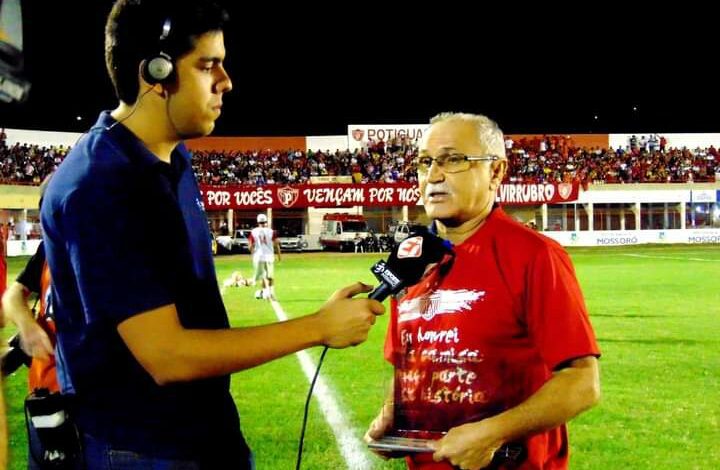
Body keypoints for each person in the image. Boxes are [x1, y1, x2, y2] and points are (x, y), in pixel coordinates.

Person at [40, 1, 384, 468]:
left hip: (200, 431)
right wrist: (318, 326)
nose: (226, 81)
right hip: (143, 449)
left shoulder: (170, 158)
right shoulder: (102, 183)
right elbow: (168, 356)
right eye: (208, 65)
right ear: (156, 73)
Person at [365, 112, 601, 470]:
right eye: (424, 162)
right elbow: (407, 369)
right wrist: (390, 416)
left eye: (453, 159)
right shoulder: (410, 261)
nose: (433, 175)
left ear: (495, 171)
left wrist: (494, 432)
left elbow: (582, 382)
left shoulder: (534, 256)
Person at [1, 241, 58, 469]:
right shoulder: (51, 243)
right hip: (45, 398)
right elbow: (13, 295)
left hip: (96, 408)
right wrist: (27, 325)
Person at [248, 213, 281, 301]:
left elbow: (250, 245)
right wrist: (279, 255)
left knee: (262, 276)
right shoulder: (271, 231)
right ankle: (271, 293)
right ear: (266, 221)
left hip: (258, 256)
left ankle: (265, 293)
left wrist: (252, 253)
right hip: (269, 256)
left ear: (258, 222)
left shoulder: (254, 231)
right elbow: (277, 243)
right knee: (270, 275)